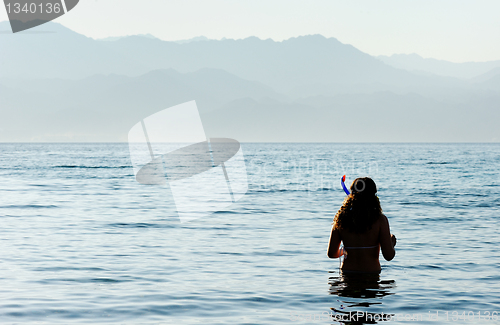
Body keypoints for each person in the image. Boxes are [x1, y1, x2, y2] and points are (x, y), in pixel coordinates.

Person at [327, 177, 396, 273]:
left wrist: (347, 250)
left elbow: (332, 254)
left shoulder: (341, 218)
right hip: (371, 274)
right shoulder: (380, 220)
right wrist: (391, 242)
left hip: (348, 274)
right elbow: (388, 256)